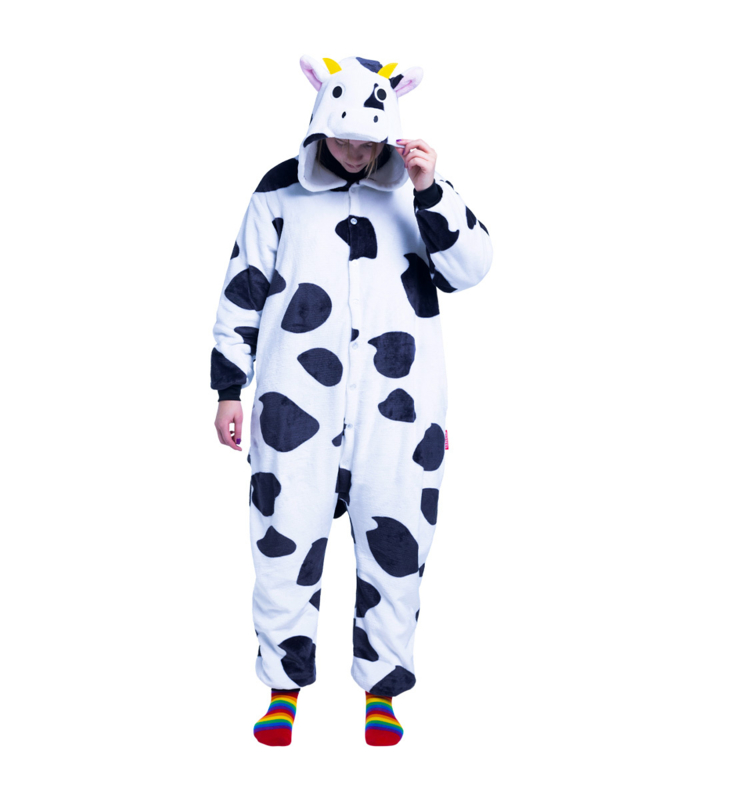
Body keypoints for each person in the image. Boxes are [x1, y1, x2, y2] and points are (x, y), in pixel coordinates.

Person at [211, 54, 493, 746]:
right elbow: (243, 288)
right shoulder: (279, 191)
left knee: (398, 550)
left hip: (400, 412)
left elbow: (472, 269)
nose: (354, 152)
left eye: (367, 141)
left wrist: (430, 189)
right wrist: (228, 389)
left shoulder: (416, 193)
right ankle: (282, 689)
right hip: (292, 406)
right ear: (319, 127)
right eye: (341, 139)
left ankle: (382, 690)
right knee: (282, 545)